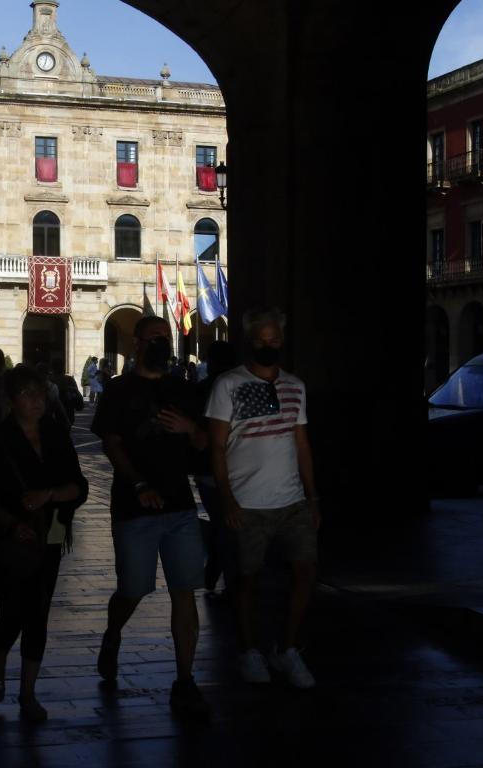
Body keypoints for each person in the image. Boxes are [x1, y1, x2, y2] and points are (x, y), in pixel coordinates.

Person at [90, 315, 211, 721]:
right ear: (138, 343)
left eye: (166, 337)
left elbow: (204, 440)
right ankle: (113, 634)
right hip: (134, 506)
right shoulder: (119, 389)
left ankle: (184, 679)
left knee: (185, 589)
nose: (163, 343)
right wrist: (140, 484)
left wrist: (190, 426)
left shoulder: (183, 388)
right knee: (133, 589)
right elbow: (111, 442)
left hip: (179, 506)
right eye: (155, 338)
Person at [205, 307, 321, 689]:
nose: (268, 345)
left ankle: (286, 649)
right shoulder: (228, 385)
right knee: (246, 580)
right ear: (249, 342)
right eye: (261, 340)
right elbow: (217, 447)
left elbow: (301, 443)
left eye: (274, 340)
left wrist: (312, 496)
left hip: (292, 502)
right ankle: (249, 651)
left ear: (282, 342)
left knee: (305, 573)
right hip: (247, 503)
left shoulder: (295, 386)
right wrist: (228, 500)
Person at [0, 365, 88, 723]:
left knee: (39, 610)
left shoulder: (56, 434)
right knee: (13, 610)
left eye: (41, 393)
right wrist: (8, 522)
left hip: (51, 531)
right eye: (28, 394)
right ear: (11, 400)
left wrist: (48, 494)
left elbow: (79, 486)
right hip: (7, 537)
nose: (37, 400)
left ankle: (27, 692)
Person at [194, 340, 239, 594]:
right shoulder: (241, 386)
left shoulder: (203, 389)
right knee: (230, 524)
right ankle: (224, 571)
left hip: (208, 470)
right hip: (238, 468)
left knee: (222, 521)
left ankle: (217, 567)